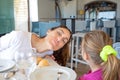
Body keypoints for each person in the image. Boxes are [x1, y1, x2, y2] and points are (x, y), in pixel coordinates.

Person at [0, 25, 72, 66]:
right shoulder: (19, 36)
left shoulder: (48, 55)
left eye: (64, 40)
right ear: (49, 31)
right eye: (59, 33)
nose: (59, 39)